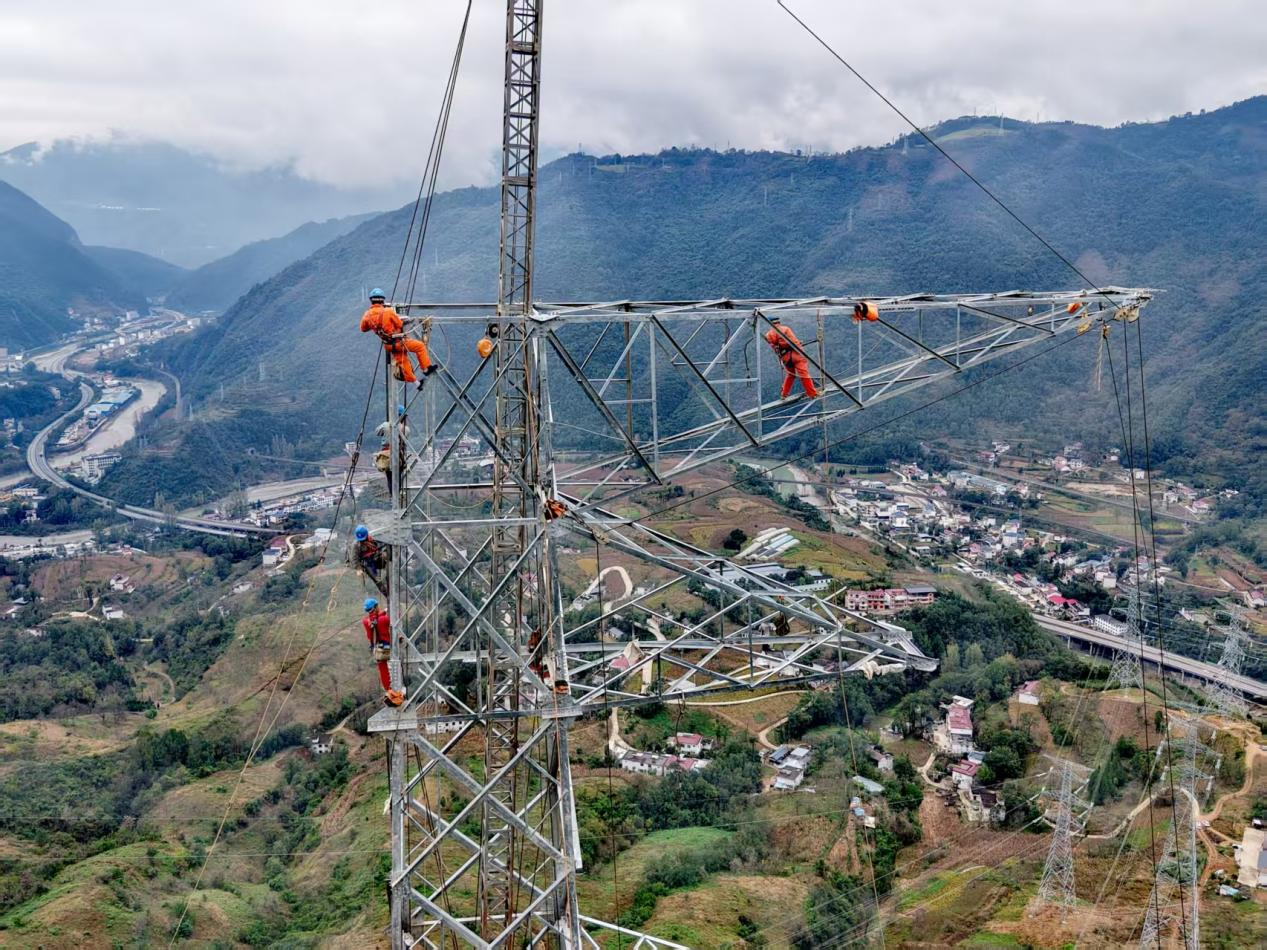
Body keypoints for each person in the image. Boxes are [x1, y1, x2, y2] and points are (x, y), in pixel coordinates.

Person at [360, 288, 437, 389]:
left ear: (371, 300)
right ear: (383, 300)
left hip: (388, 345)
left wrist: (375, 324)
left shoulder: (367, 315)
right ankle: (426, 369)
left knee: (403, 362)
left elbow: (363, 328)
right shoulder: (388, 311)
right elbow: (399, 323)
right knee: (420, 346)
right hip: (399, 342)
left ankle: (417, 383)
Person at [763, 316, 819, 399]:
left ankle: (784, 394)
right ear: (778, 322)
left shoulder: (768, 335)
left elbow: (776, 348)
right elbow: (793, 342)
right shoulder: (786, 329)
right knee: (804, 374)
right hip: (797, 355)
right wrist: (799, 345)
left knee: (790, 374)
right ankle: (812, 393)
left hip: (786, 357)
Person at [363, 598, 403, 707]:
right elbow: (397, 616)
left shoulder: (366, 622)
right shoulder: (384, 619)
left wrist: (383, 612)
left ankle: (389, 691)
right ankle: (397, 692)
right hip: (389, 648)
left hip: (378, 650)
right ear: (375, 607)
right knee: (395, 667)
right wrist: (389, 611)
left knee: (383, 670)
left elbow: (370, 633)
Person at [352, 524, 388, 596]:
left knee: (387, 563)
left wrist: (385, 553)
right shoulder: (356, 545)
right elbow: (354, 558)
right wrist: (358, 569)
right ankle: (387, 594)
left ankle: (389, 581)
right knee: (377, 580)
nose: (363, 541)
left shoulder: (373, 538)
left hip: (375, 557)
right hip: (367, 562)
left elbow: (382, 544)